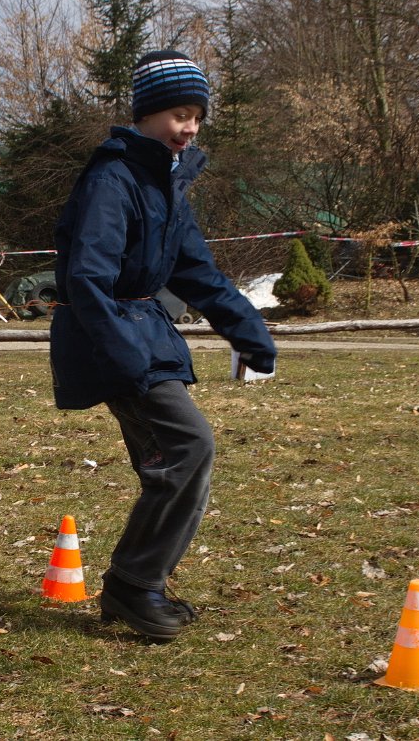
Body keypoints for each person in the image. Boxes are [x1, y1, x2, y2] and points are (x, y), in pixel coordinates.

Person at [49, 50, 278, 642]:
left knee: (172, 462)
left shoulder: (169, 185)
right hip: (114, 339)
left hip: (143, 334)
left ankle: (139, 585)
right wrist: (122, 354)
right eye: (180, 113)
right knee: (188, 447)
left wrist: (248, 330)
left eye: (198, 115)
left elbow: (198, 272)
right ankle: (133, 582)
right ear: (148, 114)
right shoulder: (113, 179)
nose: (191, 127)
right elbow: (86, 278)